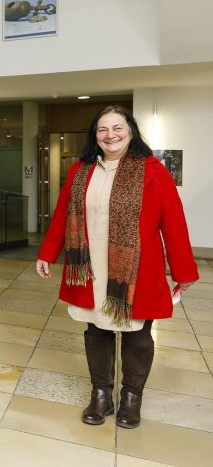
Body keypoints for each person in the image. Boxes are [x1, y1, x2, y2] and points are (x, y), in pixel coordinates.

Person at [36, 105, 198, 429]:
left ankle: (131, 397)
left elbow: (174, 222)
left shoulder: (153, 171)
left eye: (117, 128)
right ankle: (101, 394)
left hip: (136, 270)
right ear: (95, 135)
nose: (110, 135)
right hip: (91, 267)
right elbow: (63, 214)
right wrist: (47, 253)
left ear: (131, 131)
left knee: (137, 334)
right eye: (103, 129)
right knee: (97, 331)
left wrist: (183, 272)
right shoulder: (80, 171)